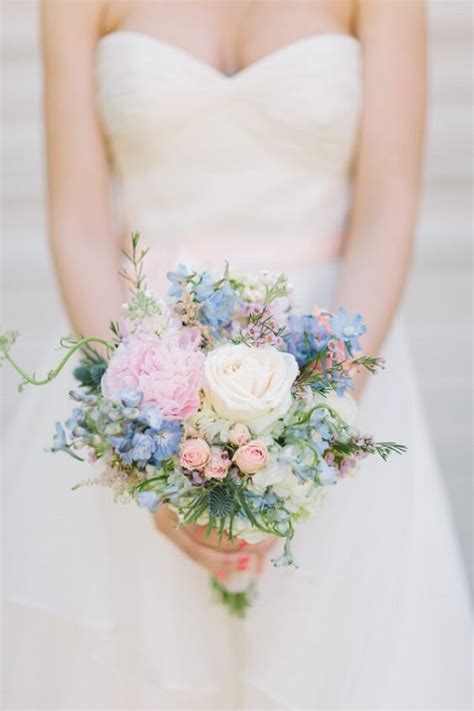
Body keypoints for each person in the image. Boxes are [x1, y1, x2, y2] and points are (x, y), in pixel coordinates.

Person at [3, 1, 471, 708]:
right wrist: (144, 448)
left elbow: (387, 208)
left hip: (338, 373)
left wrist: (312, 427)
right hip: (141, 376)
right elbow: (78, 223)